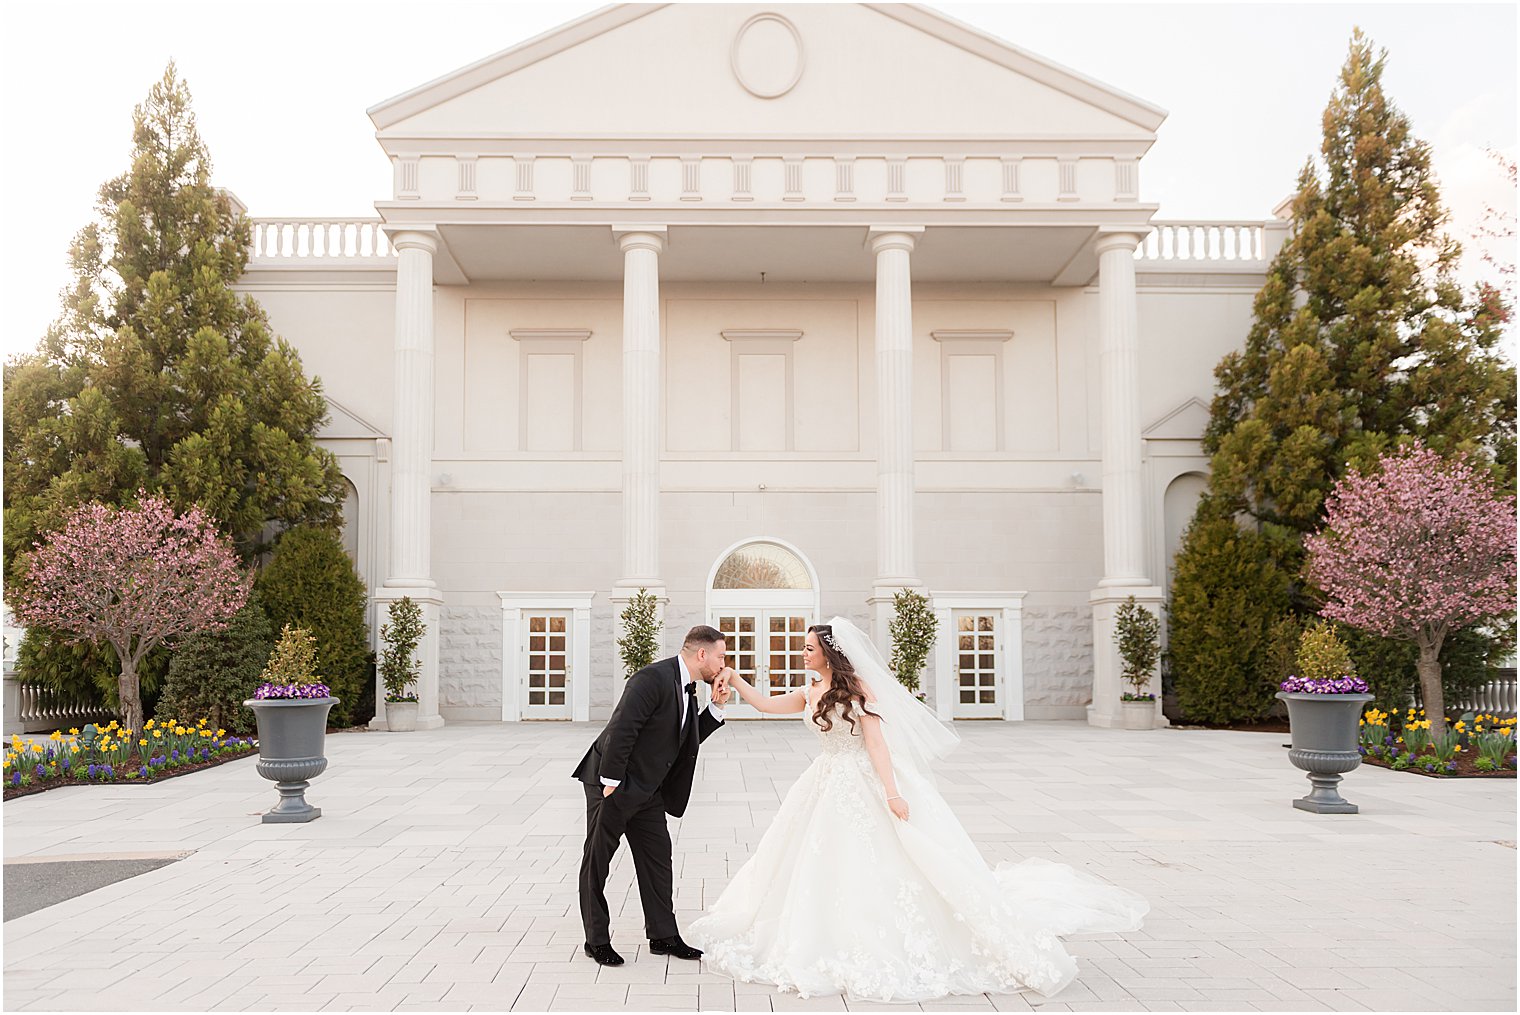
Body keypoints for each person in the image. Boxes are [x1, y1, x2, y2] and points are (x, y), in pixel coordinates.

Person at [687, 617, 1149, 1002]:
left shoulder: (858, 688)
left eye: (808, 648)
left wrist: (892, 793)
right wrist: (738, 681)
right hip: (824, 783)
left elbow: (875, 742)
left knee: (882, 860)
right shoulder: (810, 691)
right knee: (816, 860)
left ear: (829, 652)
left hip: (861, 781)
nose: (803, 654)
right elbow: (767, 704)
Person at [571, 625, 734, 967]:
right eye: (720, 656)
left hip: (648, 790)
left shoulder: (688, 686)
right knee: (598, 861)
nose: (723, 664)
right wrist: (611, 781)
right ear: (702, 654)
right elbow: (622, 727)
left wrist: (715, 708)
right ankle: (596, 940)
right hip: (614, 783)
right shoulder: (651, 679)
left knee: (658, 860)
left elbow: (682, 739)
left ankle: (663, 936)